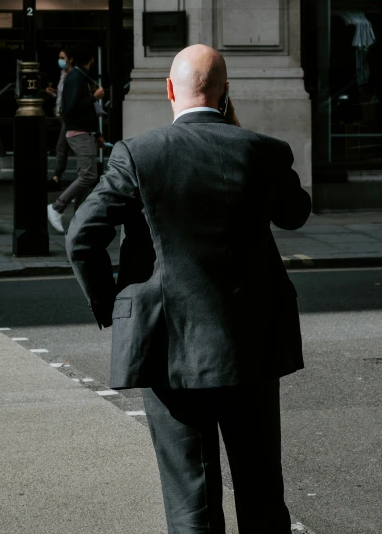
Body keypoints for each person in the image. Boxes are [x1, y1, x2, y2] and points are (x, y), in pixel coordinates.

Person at [66, 44, 311, 534]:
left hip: (169, 346)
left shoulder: (138, 153)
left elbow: (82, 238)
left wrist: (114, 306)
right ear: (225, 95)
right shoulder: (262, 149)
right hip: (252, 346)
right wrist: (238, 133)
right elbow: (294, 213)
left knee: (191, 503)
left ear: (170, 90)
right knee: (262, 492)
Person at [47, 48, 105, 233]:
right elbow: (72, 107)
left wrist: (96, 134)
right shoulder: (77, 77)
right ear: (92, 59)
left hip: (83, 131)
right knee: (88, 175)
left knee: (86, 177)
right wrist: (94, 97)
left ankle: (79, 220)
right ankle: (57, 207)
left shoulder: (78, 76)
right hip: (78, 131)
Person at [46, 46, 74, 190]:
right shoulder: (63, 73)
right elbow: (63, 95)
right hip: (61, 114)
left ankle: (57, 177)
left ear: (70, 59)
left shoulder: (73, 75)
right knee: (67, 145)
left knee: (61, 146)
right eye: (59, 57)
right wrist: (54, 93)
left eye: (63, 58)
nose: (60, 60)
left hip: (67, 116)